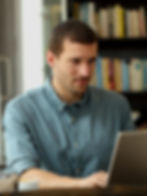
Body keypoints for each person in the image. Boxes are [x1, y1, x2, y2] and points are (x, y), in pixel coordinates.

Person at [3, 20, 134, 189]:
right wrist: (81, 184)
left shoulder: (118, 106)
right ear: (51, 59)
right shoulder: (20, 110)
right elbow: (25, 175)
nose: (85, 72)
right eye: (75, 61)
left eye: (91, 61)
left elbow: (132, 170)